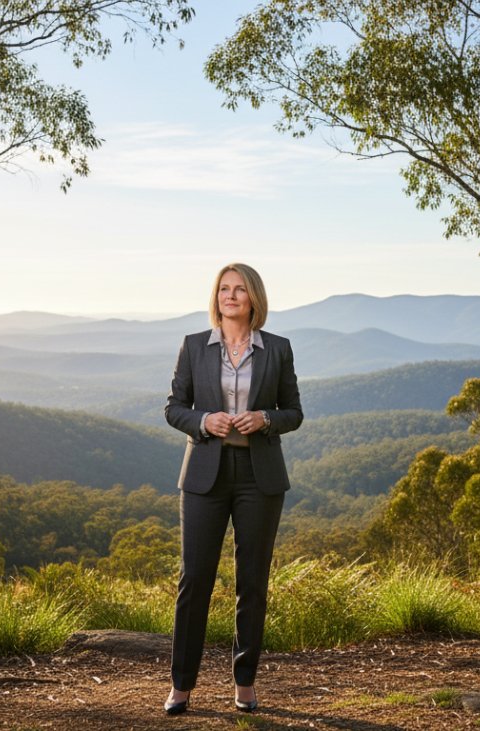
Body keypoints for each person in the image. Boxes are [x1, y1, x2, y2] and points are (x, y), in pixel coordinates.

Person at [162, 262, 303, 715]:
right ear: (216, 297)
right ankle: (182, 686)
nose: (231, 295)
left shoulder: (277, 349)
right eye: (224, 288)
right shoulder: (193, 347)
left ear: (254, 298)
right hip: (205, 475)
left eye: (240, 289)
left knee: (252, 583)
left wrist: (265, 419)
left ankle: (245, 682)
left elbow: (293, 412)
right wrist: (204, 421)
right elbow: (174, 408)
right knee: (194, 580)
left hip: (259, 477)